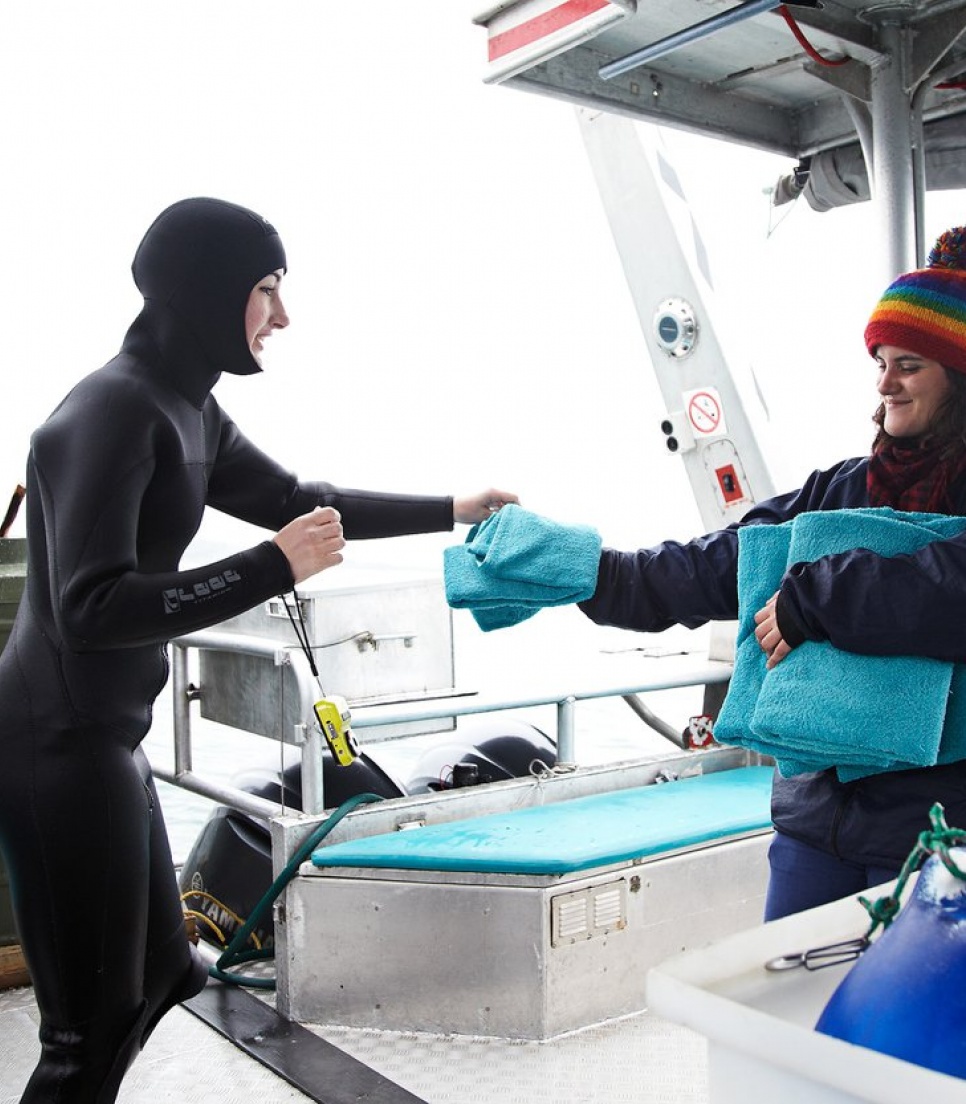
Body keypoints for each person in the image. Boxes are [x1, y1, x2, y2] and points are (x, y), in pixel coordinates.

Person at [0, 196, 517, 1103]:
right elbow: (88, 609)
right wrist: (270, 567)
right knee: (84, 1032)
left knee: (167, 976)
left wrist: (455, 508)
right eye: (268, 289)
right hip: (53, 750)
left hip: (105, 739)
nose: (283, 316)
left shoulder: (189, 408)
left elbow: (300, 499)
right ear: (208, 292)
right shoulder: (113, 412)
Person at [579, 225, 966, 922]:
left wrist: (819, 594)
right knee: (784, 1018)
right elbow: (725, 560)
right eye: (880, 361)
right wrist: (600, 577)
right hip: (817, 822)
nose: (885, 382)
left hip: (940, 834)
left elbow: (951, 586)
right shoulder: (841, 489)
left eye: (909, 364)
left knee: (902, 1028)